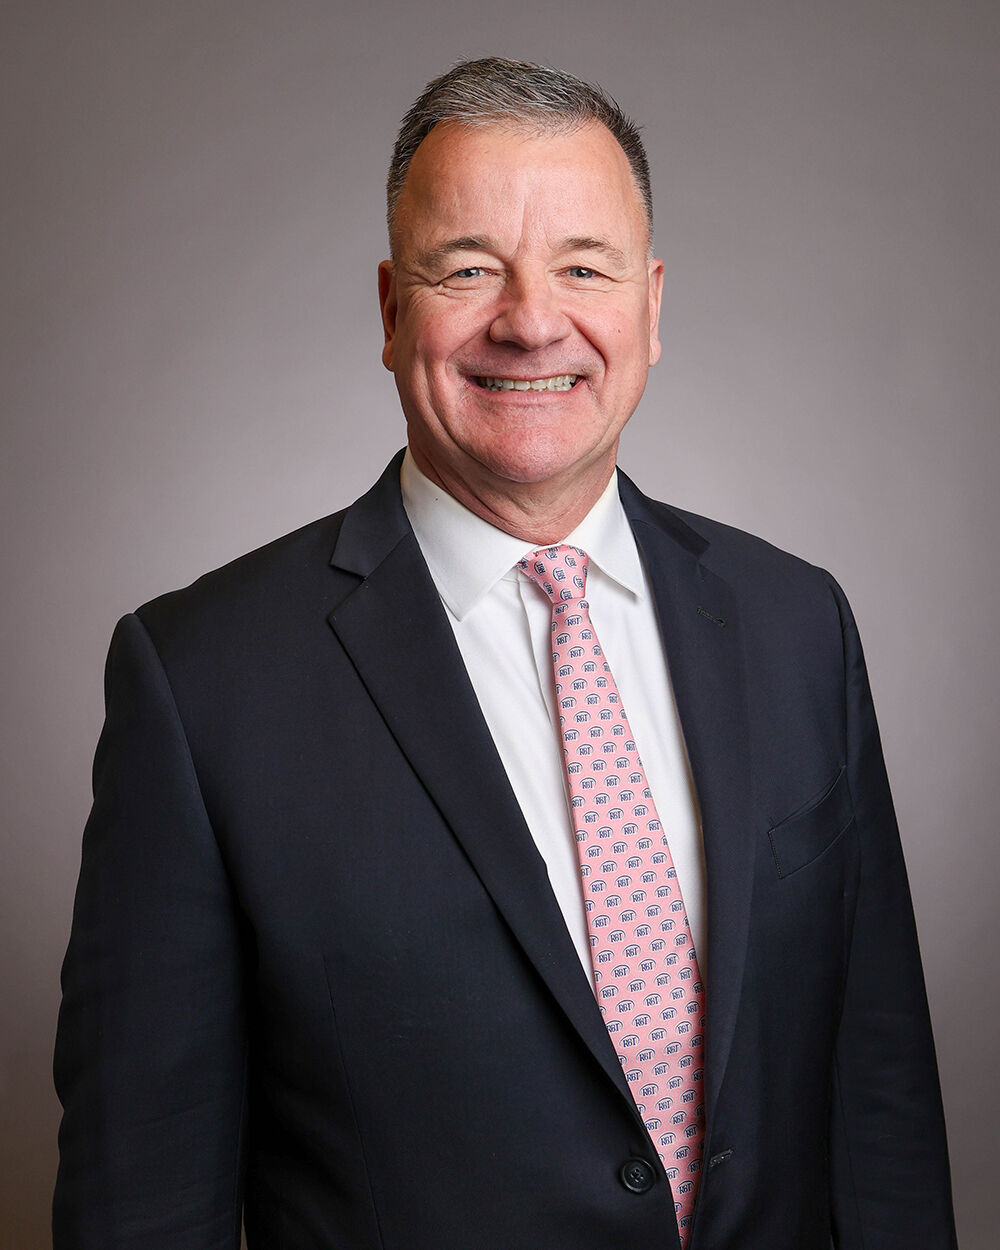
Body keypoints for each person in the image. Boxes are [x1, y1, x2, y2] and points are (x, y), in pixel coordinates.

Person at [53, 57, 957, 1250]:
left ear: (651, 305)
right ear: (390, 310)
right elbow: (141, 1201)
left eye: (585, 267)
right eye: (467, 266)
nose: (532, 318)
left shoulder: (797, 623)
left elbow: (878, 1102)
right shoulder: (200, 679)